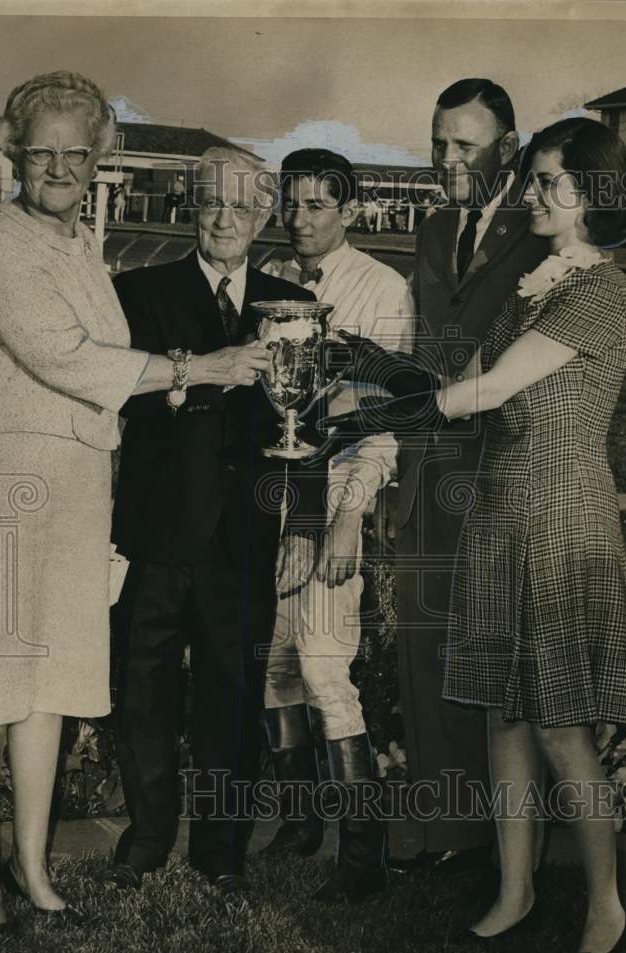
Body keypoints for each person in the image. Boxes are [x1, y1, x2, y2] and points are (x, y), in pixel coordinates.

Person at [0, 74, 271, 927]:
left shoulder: (81, 244)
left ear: (97, 159)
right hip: (2, 487)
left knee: (48, 690)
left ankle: (34, 867)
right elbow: (66, 357)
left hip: (76, 488)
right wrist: (200, 370)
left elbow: (109, 369)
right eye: (42, 151)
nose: (60, 167)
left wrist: (178, 386)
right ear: (14, 152)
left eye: (77, 153)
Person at [326, 117, 626, 953]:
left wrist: (377, 411)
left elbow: (493, 388)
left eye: (551, 183)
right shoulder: (536, 283)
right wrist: (358, 368)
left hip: (562, 517)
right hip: (500, 515)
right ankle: (513, 891)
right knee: (504, 718)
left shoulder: (597, 290)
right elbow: (458, 382)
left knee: (559, 726)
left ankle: (607, 902)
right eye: (533, 177)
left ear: (595, 196)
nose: (532, 194)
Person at [105, 147, 326, 897]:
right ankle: (146, 837)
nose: (225, 219)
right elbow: (118, 393)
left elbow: (311, 419)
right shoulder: (136, 290)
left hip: (246, 533)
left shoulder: (288, 302)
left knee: (232, 696)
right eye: (211, 203)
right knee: (142, 690)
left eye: (242, 206)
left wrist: (303, 525)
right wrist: (197, 378)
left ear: (264, 215)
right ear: (188, 207)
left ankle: (221, 850)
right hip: (156, 528)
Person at [387, 79, 548, 879]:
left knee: (497, 647)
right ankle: (446, 826)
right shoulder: (431, 226)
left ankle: (511, 836)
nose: (447, 160)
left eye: (466, 146)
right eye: (438, 142)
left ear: (507, 148)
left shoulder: (544, 229)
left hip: (501, 459)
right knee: (426, 639)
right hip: (429, 461)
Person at [260, 148, 412, 902]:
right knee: (273, 668)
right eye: (290, 204)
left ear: (349, 211)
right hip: (267, 501)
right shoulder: (271, 284)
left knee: (324, 669)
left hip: (334, 501)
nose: (299, 219)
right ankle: (298, 819)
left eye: (317, 205)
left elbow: (387, 418)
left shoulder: (381, 287)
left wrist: (350, 515)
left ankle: (364, 849)